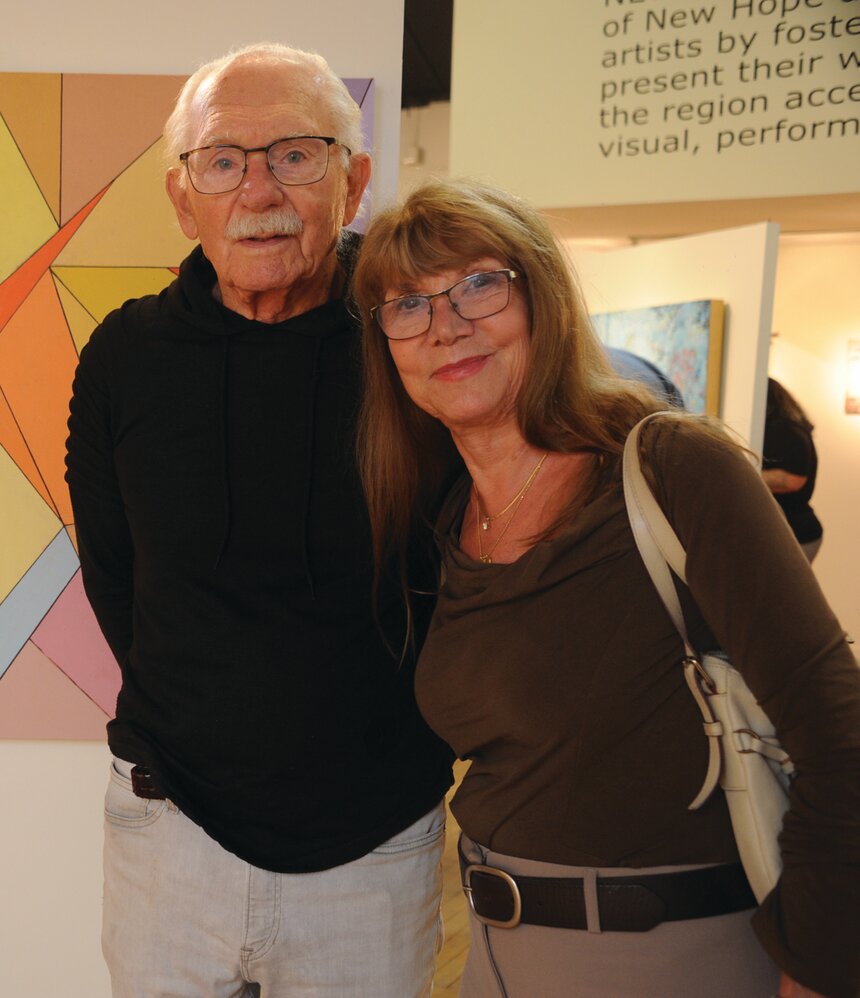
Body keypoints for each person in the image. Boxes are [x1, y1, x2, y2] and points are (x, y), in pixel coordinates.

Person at [352, 179, 860, 998]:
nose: (446, 326)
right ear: (385, 344)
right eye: (407, 305)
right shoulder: (442, 518)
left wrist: (815, 967)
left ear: (542, 297)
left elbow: (840, 736)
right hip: (493, 956)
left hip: (670, 956)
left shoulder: (672, 468)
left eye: (479, 284)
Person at [65, 43, 455, 997]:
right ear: (182, 195)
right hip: (169, 834)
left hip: (376, 845)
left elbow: (462, 563)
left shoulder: (415, 338)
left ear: (354, 181)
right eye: (223, 161)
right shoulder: (125, 355)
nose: (257, 190)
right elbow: (116, 578)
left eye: (296, 154)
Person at [762, 377, 823, 561]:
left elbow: (793, 480)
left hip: (795, 532)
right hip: (794, 530)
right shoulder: (790, 428)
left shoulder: (786, 431)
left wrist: (744, 476)